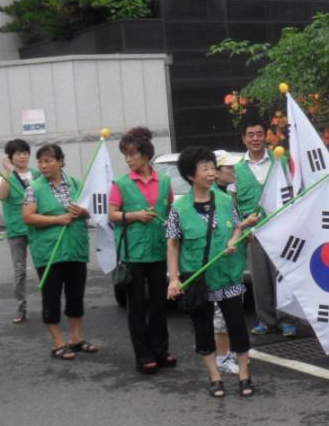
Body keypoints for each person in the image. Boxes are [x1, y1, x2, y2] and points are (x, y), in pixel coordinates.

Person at [167, 147, 259, 398]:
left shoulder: (226, 200)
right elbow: (173, 242)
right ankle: (215, 377)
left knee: (237, 325)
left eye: (212, 167)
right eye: (205, 168)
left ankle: (244, 375)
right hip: (197, 278)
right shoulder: (179, 208)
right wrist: (174, 278)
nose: (210, 173)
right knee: (203, 328)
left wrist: (234, 240)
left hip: (228, 274)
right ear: (190, 175)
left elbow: (238, 227)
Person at [108, 127, 175, 375]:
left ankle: (161, 350)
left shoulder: (165, 181)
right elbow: (112, 215)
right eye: (126, 155)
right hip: (132, 252)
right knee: (136, 306)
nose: (128, 160)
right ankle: (143, 355)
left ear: (146, 154)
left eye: (132, 154)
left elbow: (169, 213)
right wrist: (134, 215)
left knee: (159, 303)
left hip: (158, 250)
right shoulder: (121, 184)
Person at [22, 144, 95, 360]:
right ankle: (58, 343)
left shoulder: (76, 184)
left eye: (48, 160)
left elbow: (91, 210)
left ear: (61, 161)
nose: (43, 165)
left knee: (76, 296)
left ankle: (76, 339)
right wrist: (57, 219)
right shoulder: (33, 188)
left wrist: (83, 212)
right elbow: (28, 217)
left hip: (75, 249)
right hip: (49, 252)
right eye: (40, 161)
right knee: (51, 297)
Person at [232, 112, 297, 337]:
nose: (255, 139)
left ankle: (286, 319)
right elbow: (234, 203)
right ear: (244, 139)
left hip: (280, 229)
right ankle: (266, 320)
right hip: (254, 232)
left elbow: (293, 191)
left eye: (259, 134)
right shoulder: (237, 170)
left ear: (266, 136)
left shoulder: (280, 161)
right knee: (260, 278)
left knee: (282, 275)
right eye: (250, 135)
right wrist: (241, 227)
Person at [0, 138, 40, 324]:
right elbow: (1, 196)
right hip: (16, 229)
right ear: (10, 157)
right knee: (20, 270)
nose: (22, 156)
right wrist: (7, 172)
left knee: (43, 267)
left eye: (25, 152)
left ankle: (50, 303)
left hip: (37, 226)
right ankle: (21, 308)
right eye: (18, 153)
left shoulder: (37, 174)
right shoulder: (6, 176)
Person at [212, 149, 244, 375]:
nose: (233, 171)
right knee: (220, 314)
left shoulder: (228, 195)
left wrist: (241, 232)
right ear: (216, 172)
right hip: (219, 265)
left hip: (233, 263)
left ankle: (231, 352)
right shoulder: (212, 197)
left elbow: (235, 225)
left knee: (233, 311)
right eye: (228, 168)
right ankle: (221, 358)